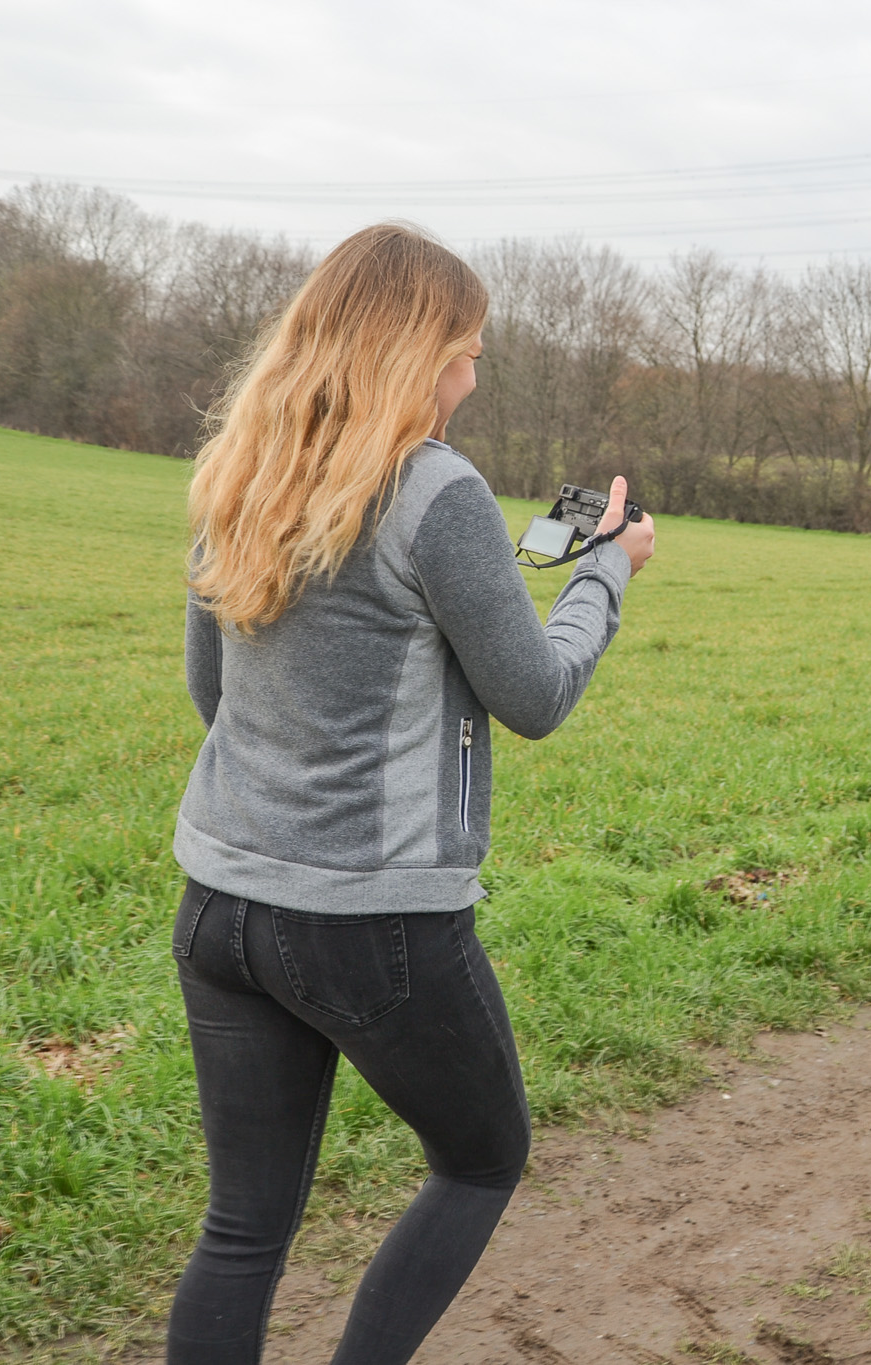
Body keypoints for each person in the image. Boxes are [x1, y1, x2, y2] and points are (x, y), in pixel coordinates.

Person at [166, 223, 655, 1365]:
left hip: (217, 908)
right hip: (370, 923)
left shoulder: (240, 467)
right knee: (482, 1159)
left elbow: (213, 695)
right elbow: (532, 695)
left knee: (242, 1228)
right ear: (409, 351)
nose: (472, 378)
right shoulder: (436, 489)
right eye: (464, 350)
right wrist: (603, 573)